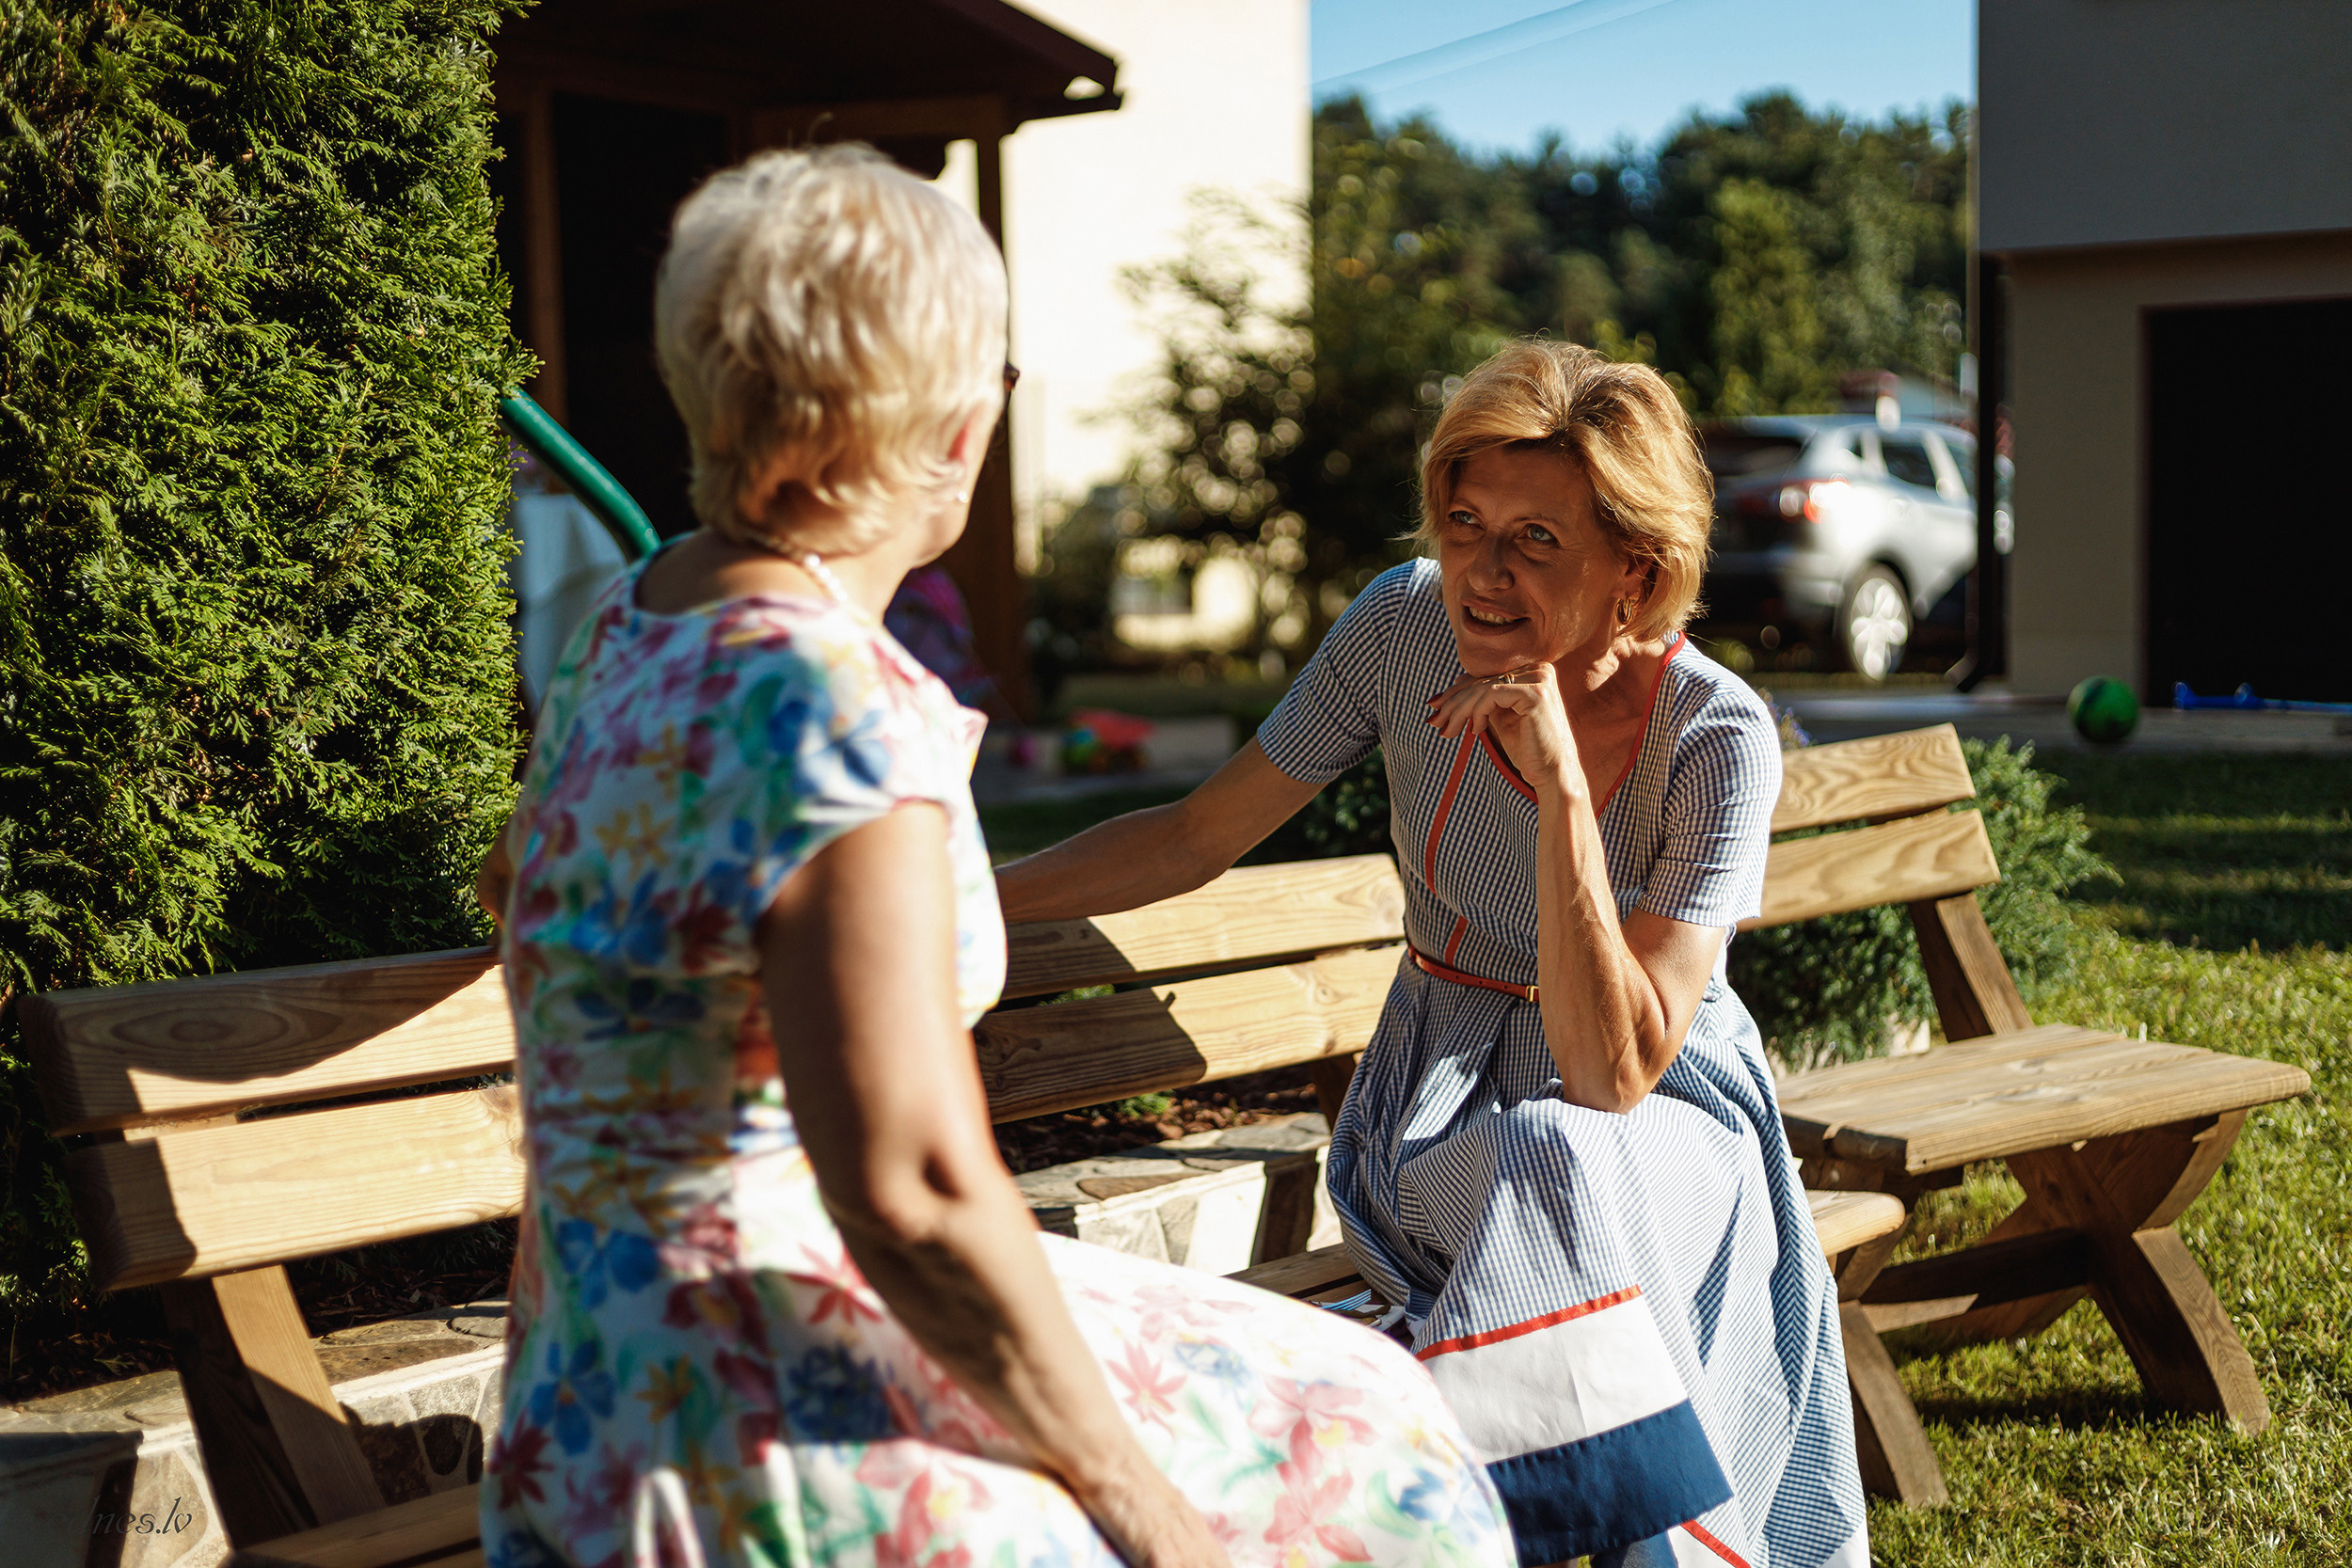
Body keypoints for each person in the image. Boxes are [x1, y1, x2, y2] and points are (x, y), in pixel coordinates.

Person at [471, 144, 1513, 1568]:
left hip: (587, 1386)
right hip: (762, 1429)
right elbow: (913, 1197)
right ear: (959, 431)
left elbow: (527, 883)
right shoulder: (839, 715)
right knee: (1373, 1450)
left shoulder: (631, 625)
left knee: (1345, 1384)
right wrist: (1158, 1525)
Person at [997, 341, 1869, 1568]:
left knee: (1565, 1153)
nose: (1482, 573)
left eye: (1536, 540)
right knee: (1543, 1166)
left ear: (1638, 569)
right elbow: (1198, 835)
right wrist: (966, 898)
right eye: (1466, 523)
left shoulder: (1716, 735)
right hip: (1443, 1097)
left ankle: (1486, 1521)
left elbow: (1614, 1073)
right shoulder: (1401, 629)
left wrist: (1563, 788)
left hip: (1667, 1113)